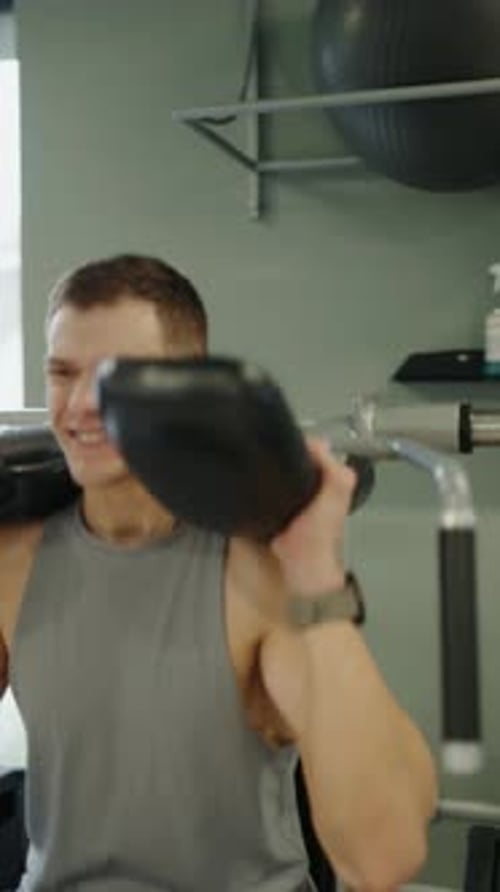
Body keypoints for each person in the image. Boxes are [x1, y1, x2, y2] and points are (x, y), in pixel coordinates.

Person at [0, 254, 437, 892]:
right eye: (62, 373)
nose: (81, 406)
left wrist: (316, 571)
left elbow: (382, 858)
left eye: (120, 380)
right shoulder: (14, 559)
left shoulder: (256, 577)